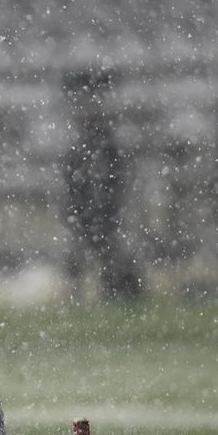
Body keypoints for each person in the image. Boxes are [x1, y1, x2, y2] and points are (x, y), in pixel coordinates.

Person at [60, 68, 141, 302]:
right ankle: (83, 294)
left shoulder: (106, 149)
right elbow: (74, 184)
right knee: (88, 257)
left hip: (103, 214)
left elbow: (118, 181)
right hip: (91, 213)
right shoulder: (87, 150)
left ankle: (109, 291)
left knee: (106, 256)